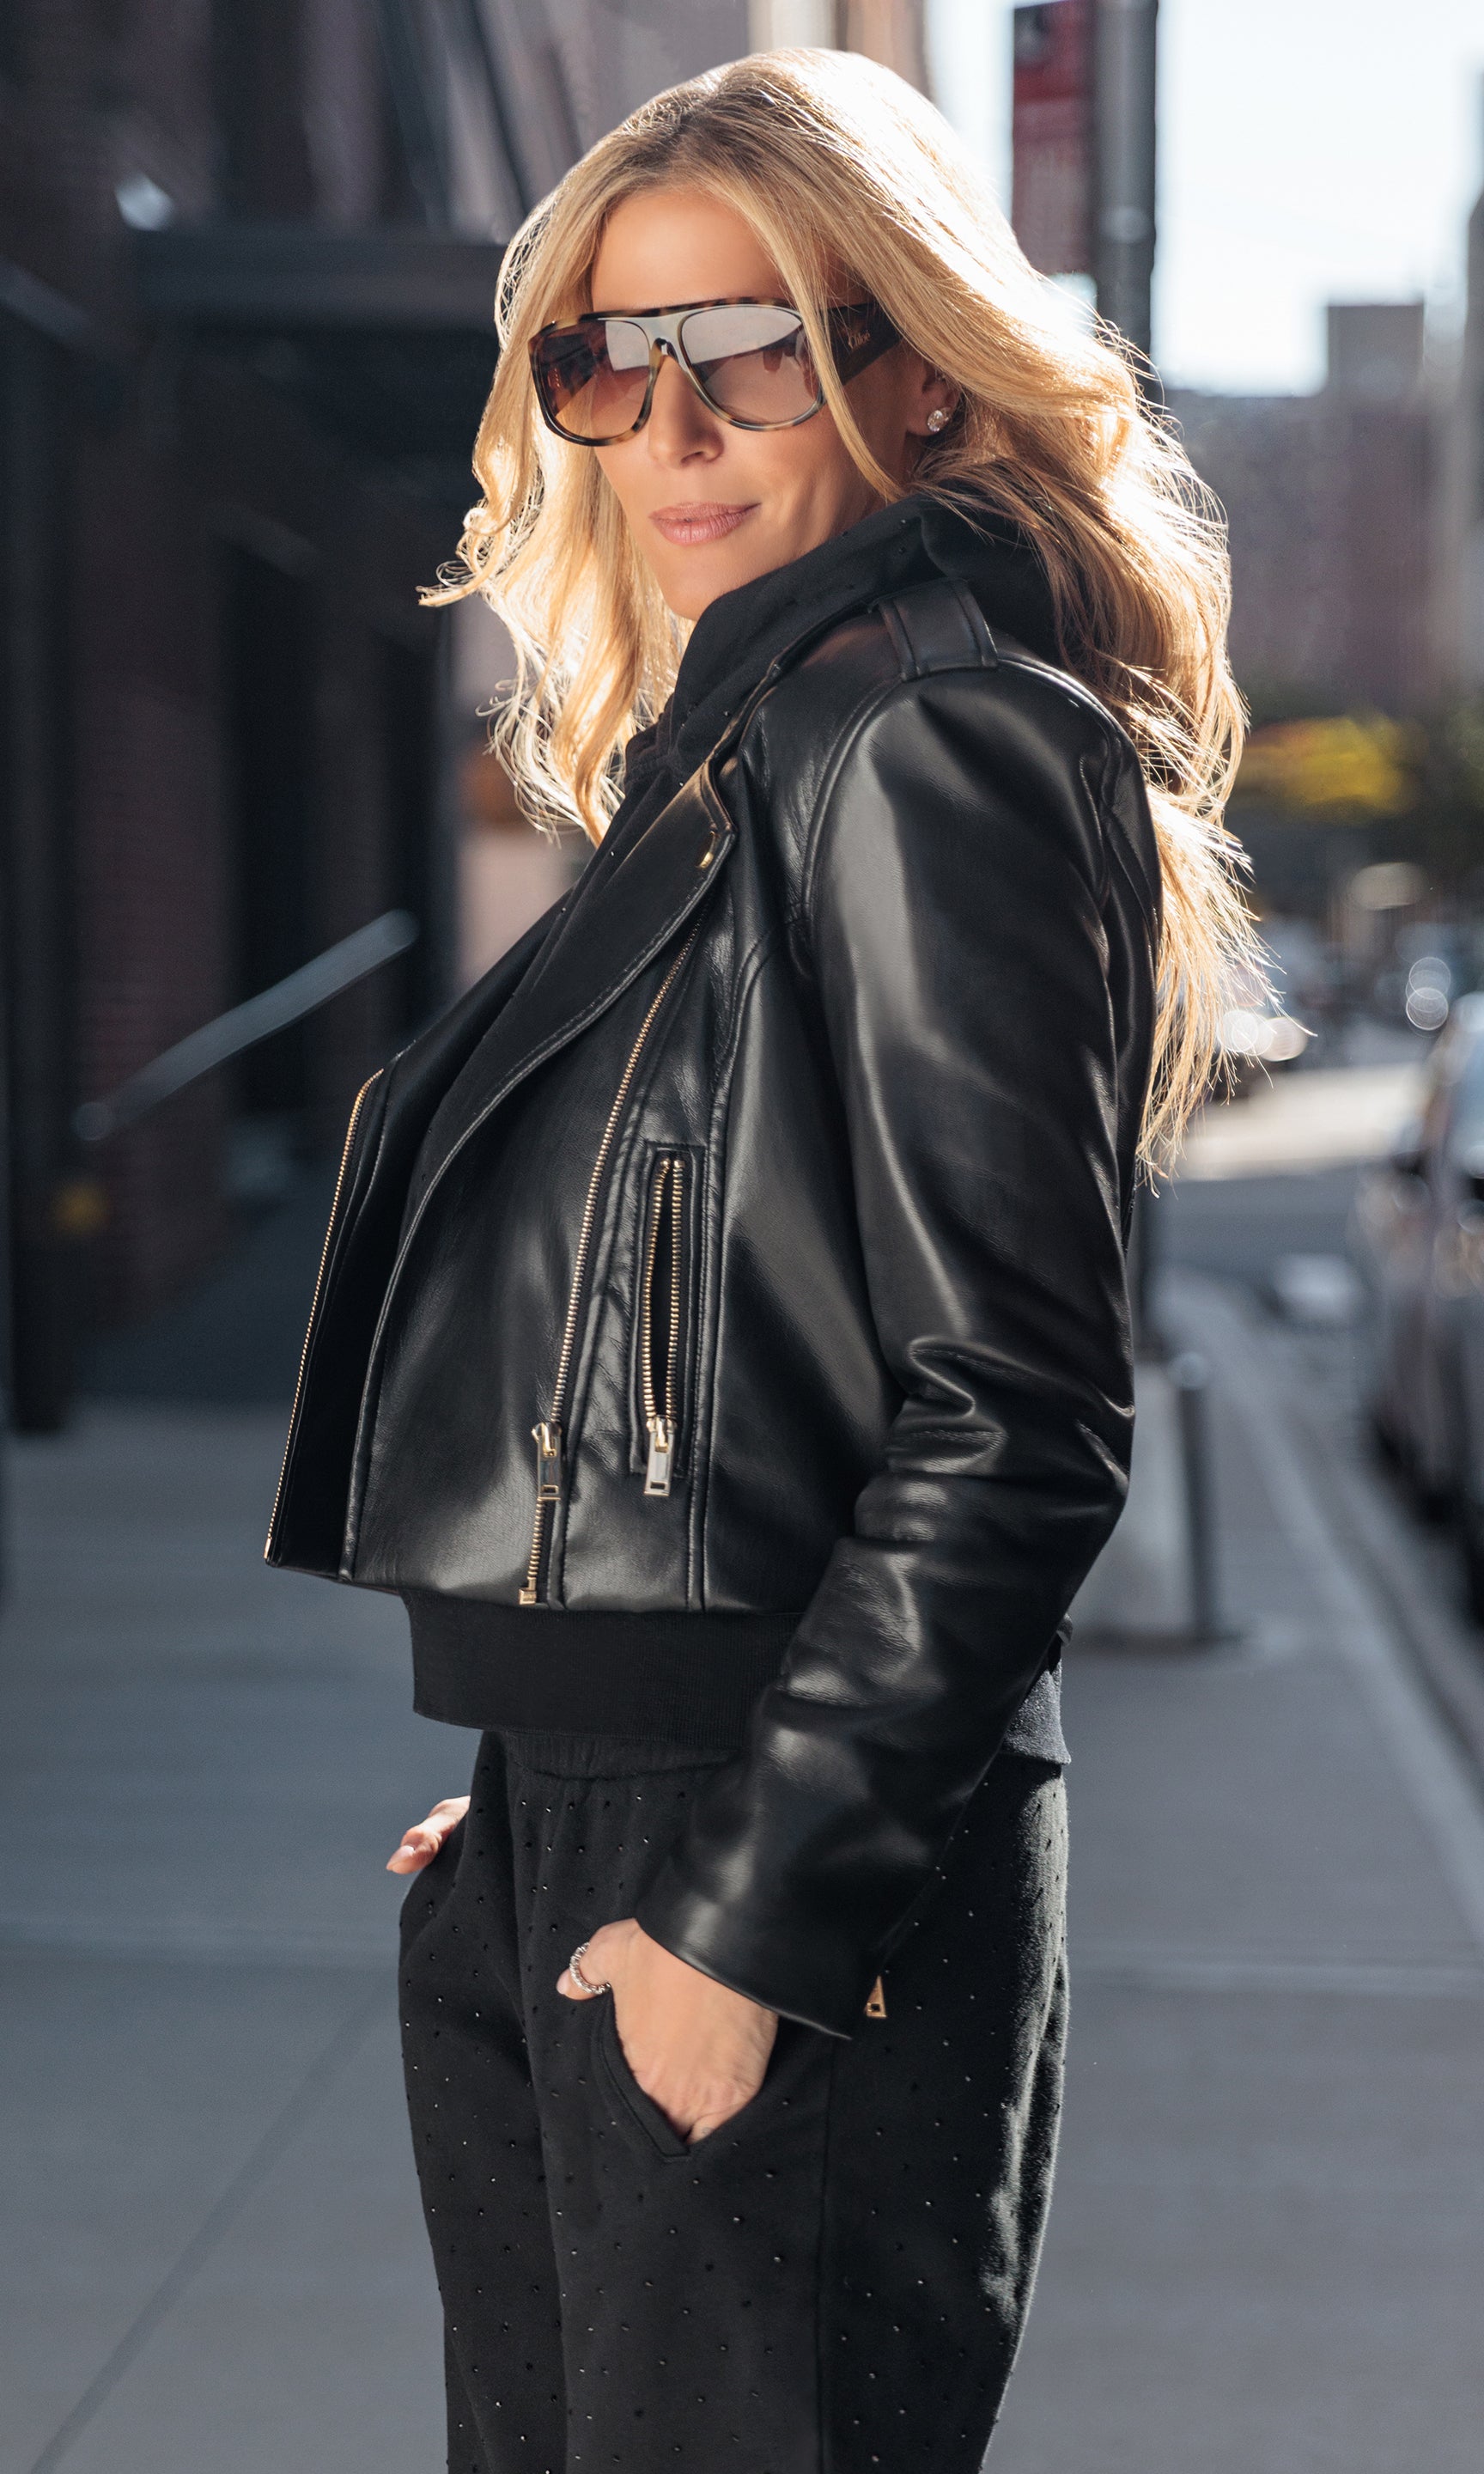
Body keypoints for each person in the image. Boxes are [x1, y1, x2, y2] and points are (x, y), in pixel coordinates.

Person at [266, 47, 1255, 2473]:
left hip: (778, 1877)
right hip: (600, 1809)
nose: (679, 426)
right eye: (614, 359)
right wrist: (561, 1738)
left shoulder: (931, 746)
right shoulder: (740, 749)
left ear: (915, 370)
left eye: (758, 351)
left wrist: (754, 1893)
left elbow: (1015, 1411)